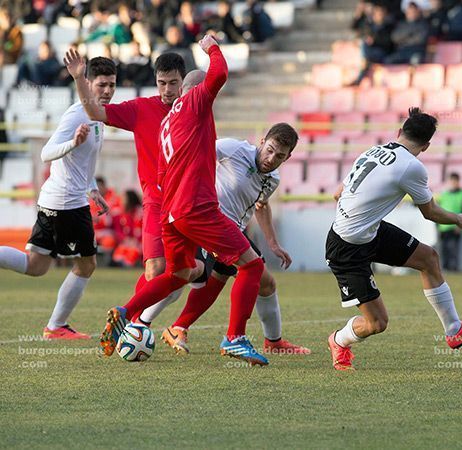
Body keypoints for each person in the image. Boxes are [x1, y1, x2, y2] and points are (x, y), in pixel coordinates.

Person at [102, 36, 269, 367]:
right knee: (252, 265)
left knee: (182, 273)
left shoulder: (169, 121)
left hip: (172, 212)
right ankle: (235, 338)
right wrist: (212, 48)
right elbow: (218, 74)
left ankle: (127, 311)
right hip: (197, 208)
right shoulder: (194, 102)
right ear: (197, 91)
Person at [326, 107, 462, 371]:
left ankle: (454, 330)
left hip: (367, 231)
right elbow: (430, 213)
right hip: (348, 247)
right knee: (376, 324)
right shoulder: (412, 167)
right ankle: (338, 340)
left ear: (399, 132)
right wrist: (459, 218)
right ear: (426, 146)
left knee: (429, 257)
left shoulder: (371, 150)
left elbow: (338, 193)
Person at [140, 125, 310, 355]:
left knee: (263, 283)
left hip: (235, 233)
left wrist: (272, 243)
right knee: (188, 272)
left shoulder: (273, 179)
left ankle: (272, 342)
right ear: (262, 141)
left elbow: (261, 205)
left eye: (279, 156)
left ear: (288, 157)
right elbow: (196, 153)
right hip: (209, 223)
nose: (271, 158)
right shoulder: (234, 149)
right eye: (269, 150)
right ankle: (140, 322)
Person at [64, 49, 188, 327]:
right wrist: (78, 78)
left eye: (173, 83)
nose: (167, 90)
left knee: (190, 273)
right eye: (161, 83)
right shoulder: (140, 109)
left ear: (183, 81)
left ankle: (169, 327)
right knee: (156, 268)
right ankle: (130, 322)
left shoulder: (195, 108)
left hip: (190, 204)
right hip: (158, 202)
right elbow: (94, 110)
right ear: (155, 81)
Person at [0, 57, 116, 339]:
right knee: (86, 264)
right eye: (101, 85)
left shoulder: (98, 114)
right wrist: (71, 143)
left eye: (112, 85)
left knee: (36, 266)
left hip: (61, 199)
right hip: (66, 203)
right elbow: (46, 153)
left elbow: (82, 162)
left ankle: (56, 326)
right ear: (87, 83)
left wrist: (91, 188)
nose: (108, 91)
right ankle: (56, 326)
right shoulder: (77, 114)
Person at [437, 172, 462, 271]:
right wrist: (438, 225)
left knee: (453, 249)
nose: (453, 182)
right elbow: (439, 210)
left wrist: (461, 226)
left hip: (456, 226)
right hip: (443, 227)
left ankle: (453, 268)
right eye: (452, 180)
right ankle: (445, 268)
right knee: (444, 249)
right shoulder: (444, 195)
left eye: (455, 180)